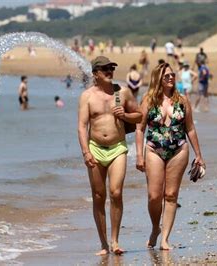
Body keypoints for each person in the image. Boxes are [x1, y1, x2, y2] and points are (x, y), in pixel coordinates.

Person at [135, 62, 205, 250]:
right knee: (154, 196)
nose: (171, 78)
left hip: (179, 149)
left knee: (171, 195)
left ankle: (165, 238)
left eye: (173, 75)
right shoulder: (148, 100)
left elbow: (190, 128)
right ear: (158, 78)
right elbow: (140, 129)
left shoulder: (182, 100)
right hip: (153, 150)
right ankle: (154, 228)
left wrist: (199, 155)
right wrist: (139, 156)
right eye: (166, 76)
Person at [77, 56, 142, 255]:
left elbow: (139, 116)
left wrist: (125, 115)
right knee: (98, 196)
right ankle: (104, 244)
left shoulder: (122, 92)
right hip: (95, 148)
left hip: (118, 148)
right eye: (104, 69)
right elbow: (82, 126)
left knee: (115, 192)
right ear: (95, 73)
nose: (109, 71)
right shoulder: (87, 96)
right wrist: (86, 151)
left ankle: (115, 241)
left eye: (111, 68)